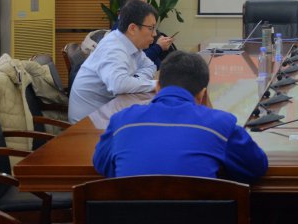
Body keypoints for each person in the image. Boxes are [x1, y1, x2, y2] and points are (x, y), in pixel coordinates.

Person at [93, 50, 268, 183]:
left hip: (131, 214)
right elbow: (255, 168)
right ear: (203, 94)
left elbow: (102, 164)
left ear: (158, 87)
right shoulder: (220, 124)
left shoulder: (121, 121)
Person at [68, 0, 158, 123]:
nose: (155, 34)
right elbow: (119, 84)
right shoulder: (113, 47)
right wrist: (155, 85)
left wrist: (135, 79)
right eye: (151, 28)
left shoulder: (131, 43)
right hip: (88, 123)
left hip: (108, 112)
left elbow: (150, 66)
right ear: (133, 28)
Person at [113, 0, 175, 69]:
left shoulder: (138, 25)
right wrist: (159, 47)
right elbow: (135, 64)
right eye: (141, 6)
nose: (146, 10)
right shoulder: (120, 31)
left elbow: (145, 62)